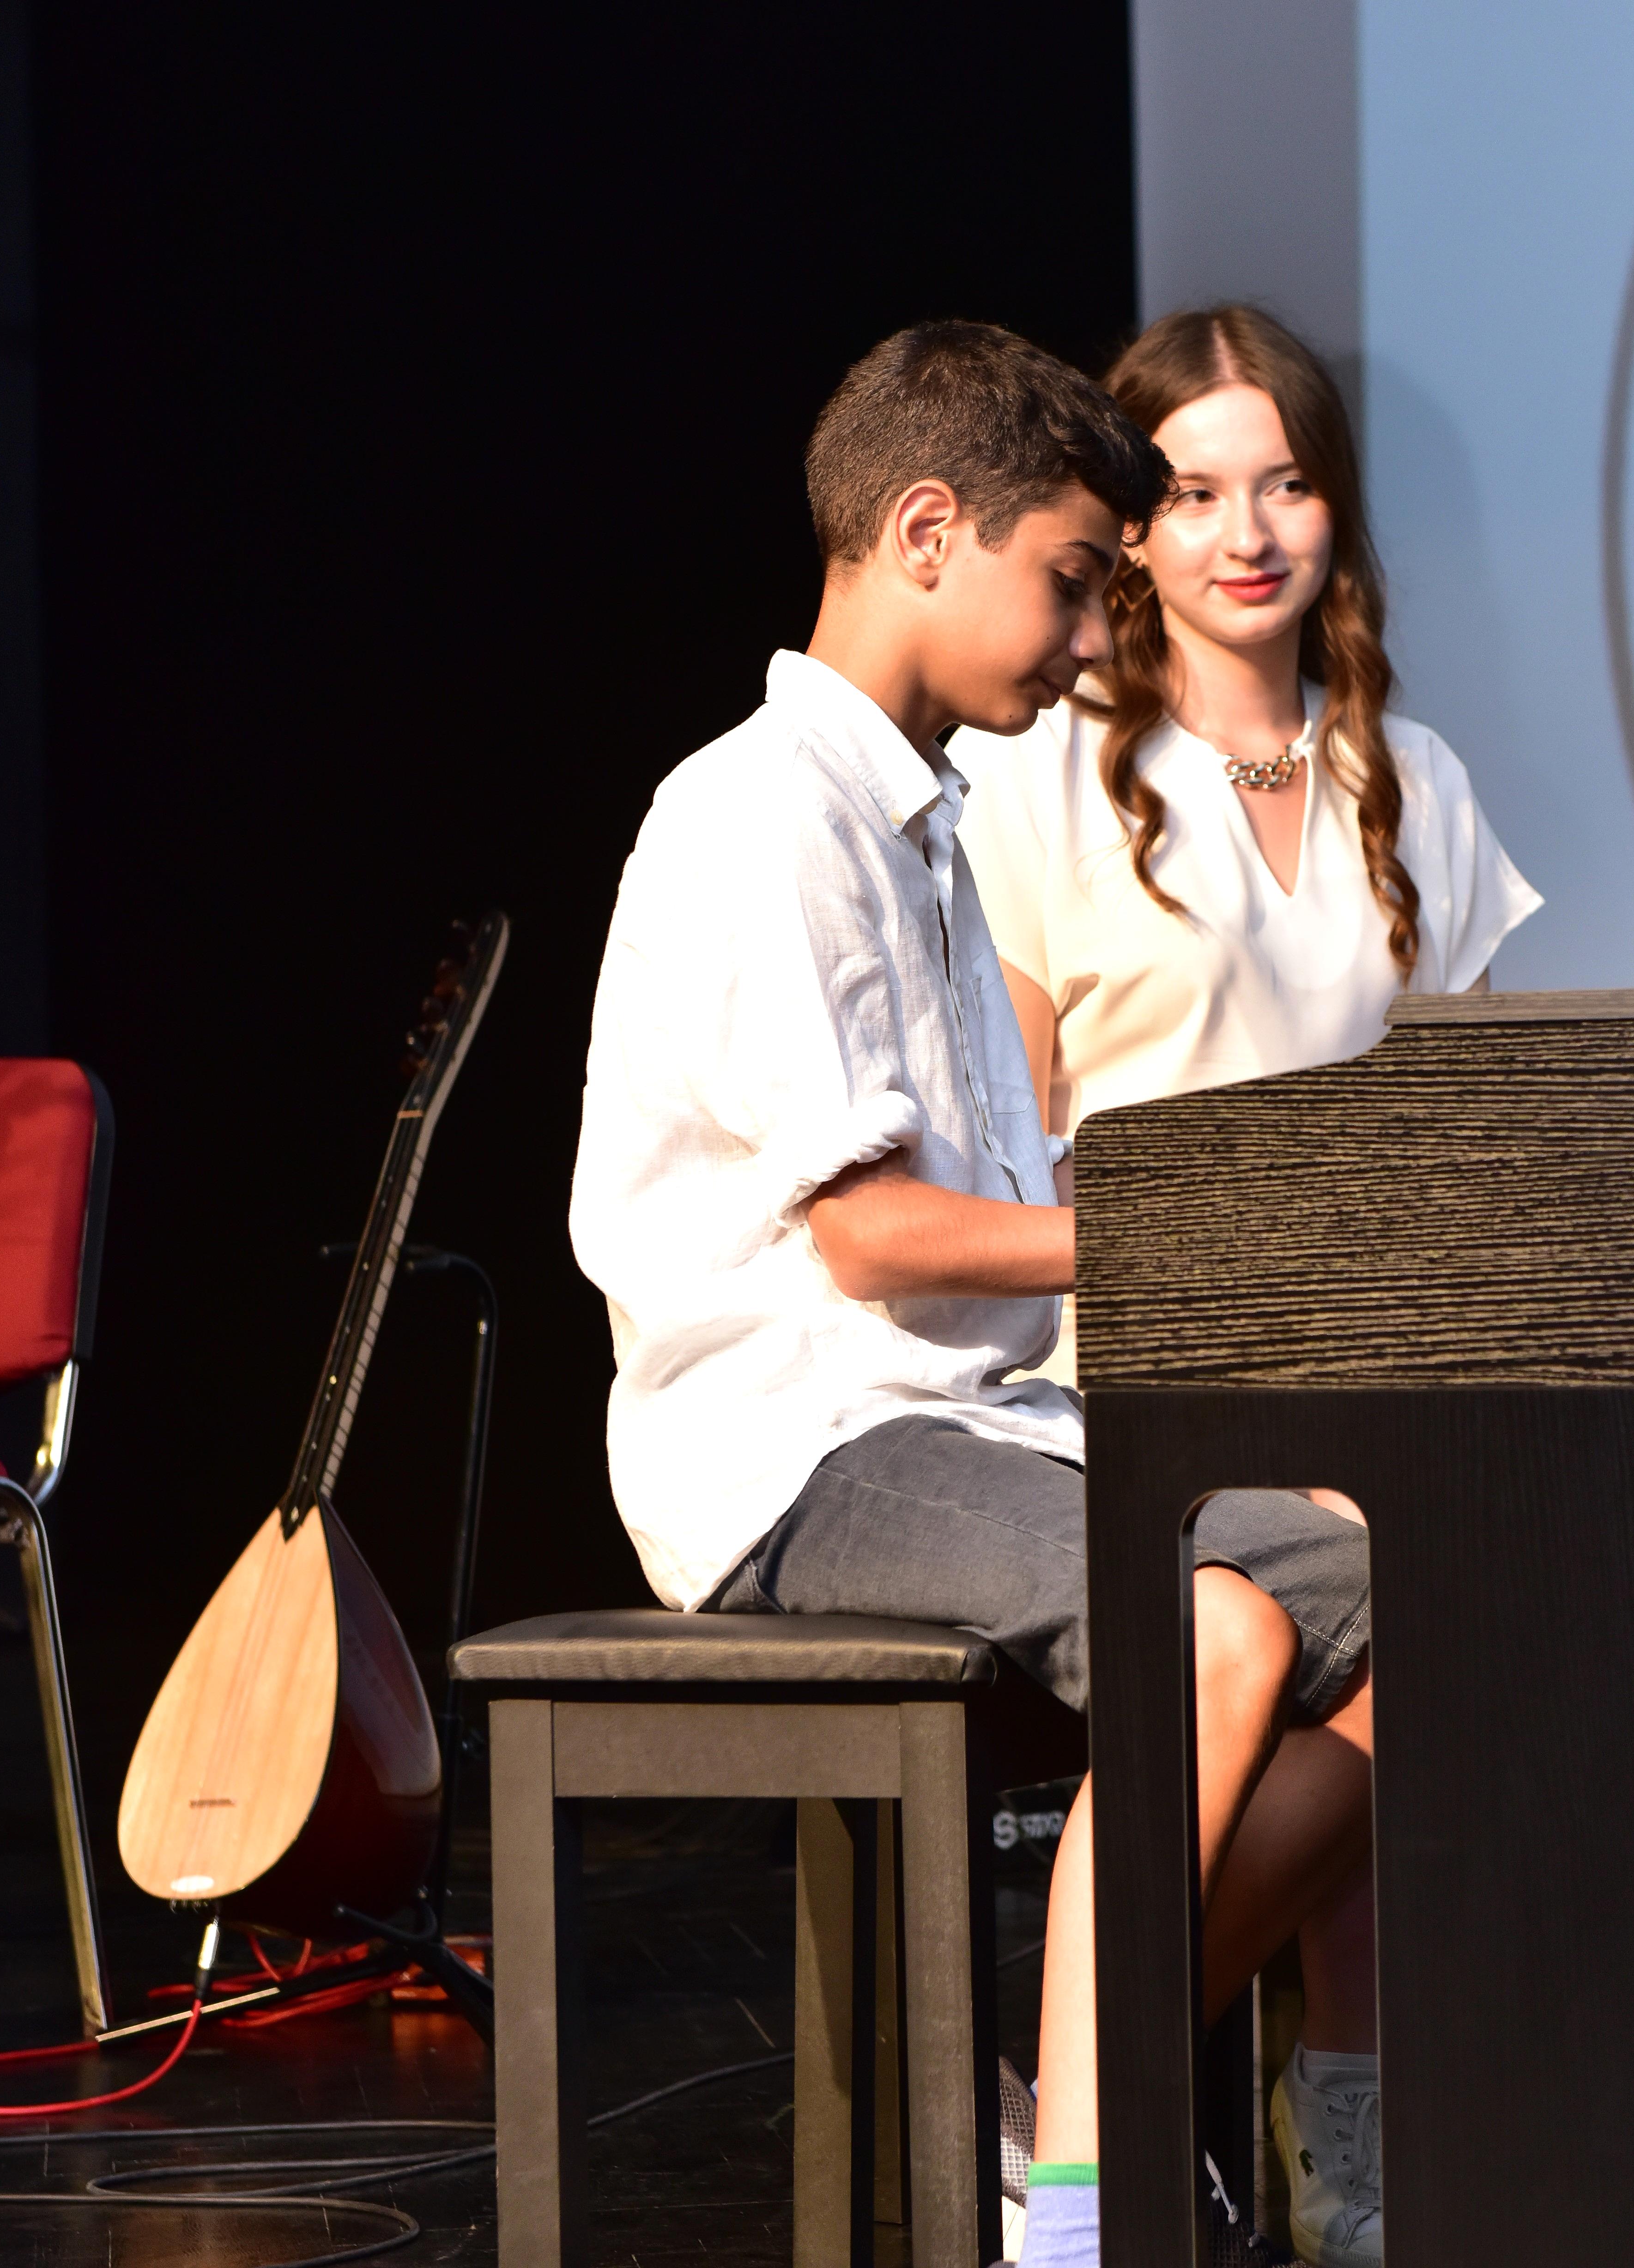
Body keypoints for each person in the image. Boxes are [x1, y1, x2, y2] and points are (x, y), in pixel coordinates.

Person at [568, 321, 1376, 2268]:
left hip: (966, 1422)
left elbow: (1001, 1199)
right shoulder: (760, 812)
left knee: (1417, 1584)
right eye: (1075, 581)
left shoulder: (919, 824)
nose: (1096, 641)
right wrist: (1170, 1243)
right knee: (1213, 1628)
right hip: (799, 1447)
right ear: (928, 532)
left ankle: (1065, 2096)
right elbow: (871, 1237)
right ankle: (1084, 2215)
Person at [951, 304, 1540, 2267]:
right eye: (1196, 492)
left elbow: (1487, 1123)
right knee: (1363, 1602)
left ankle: (1249, 2136)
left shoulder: (1412, 778)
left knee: (1489, 1567)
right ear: (1129, 530)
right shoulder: (1049, 781)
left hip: (1370, 1364)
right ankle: (1164, 2128)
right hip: (1125, 1366)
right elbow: (1004, 1139)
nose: (1247, 531)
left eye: (1284, 483)